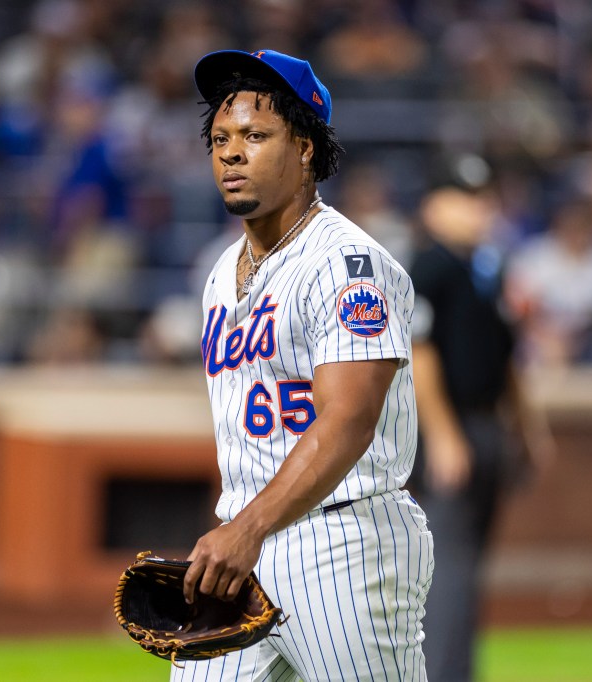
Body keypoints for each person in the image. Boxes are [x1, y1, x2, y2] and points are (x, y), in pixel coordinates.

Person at [174, 49, 433, 681]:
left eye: (256, 136)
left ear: (307, 148)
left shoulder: (347, 267)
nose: (231, 153)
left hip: (346, 545)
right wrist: (237, 531)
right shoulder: (218, 274)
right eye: (221, 138)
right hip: (245, 545)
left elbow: (347, 422)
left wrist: (247, 529)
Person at [409, 185, 554, 682]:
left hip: (486, 422)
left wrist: (526, 425)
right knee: (447, 565)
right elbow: (418, 352)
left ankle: (458, 673)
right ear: (434, 205)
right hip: (452, 428)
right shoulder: (429, 266)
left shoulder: (485, 269)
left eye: (484, 196)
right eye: (464, 196)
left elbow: (507, 355)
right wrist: (444, 434)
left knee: (467, 567)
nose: (479, 208)